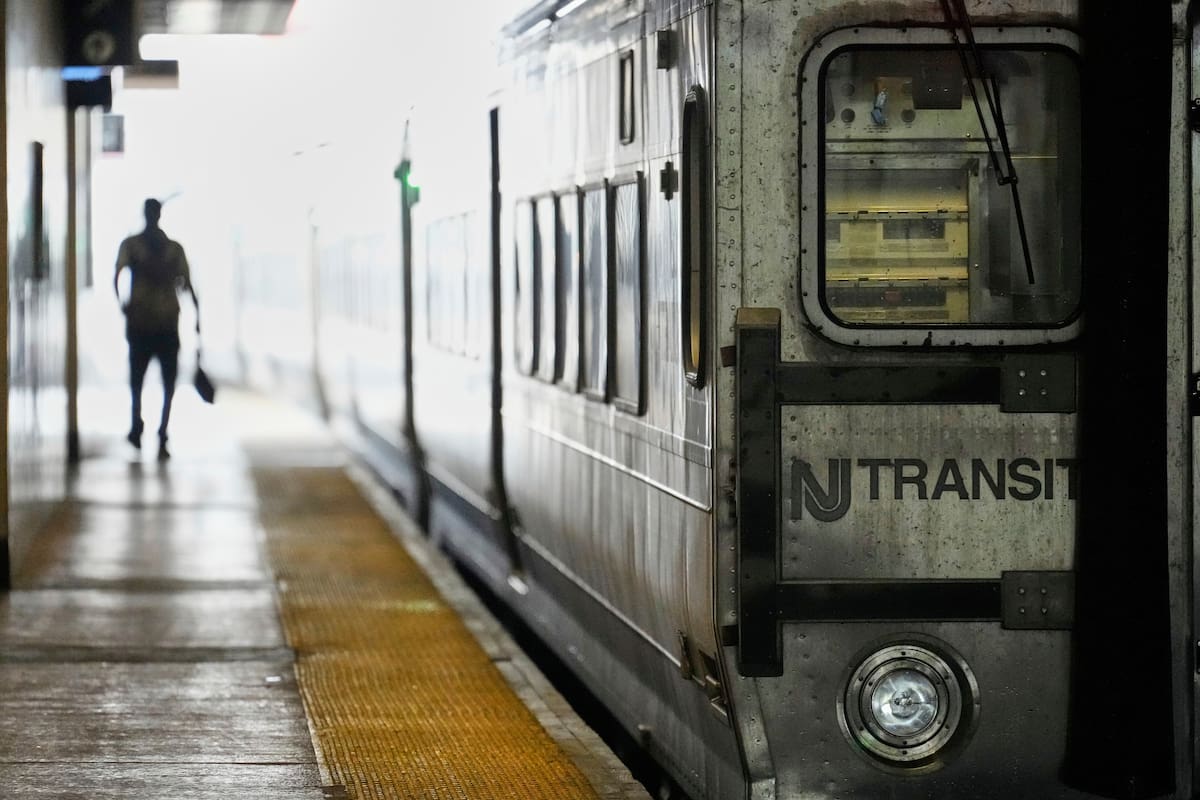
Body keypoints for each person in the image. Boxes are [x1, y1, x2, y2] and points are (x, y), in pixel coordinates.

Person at [113, 198, 199, 461]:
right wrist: (198, 319)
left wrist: (124, 305)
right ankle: (162, 431)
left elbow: (116, 276)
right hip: (167, 323)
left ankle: (137, 426)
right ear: (159, 215)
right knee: (168, 381)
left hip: (140, 323)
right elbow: (188, 285)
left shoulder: (131, 246)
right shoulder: (173, 250)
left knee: (137, 379)